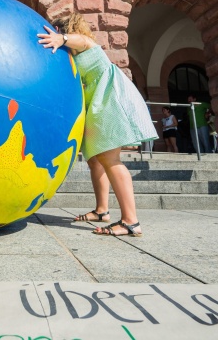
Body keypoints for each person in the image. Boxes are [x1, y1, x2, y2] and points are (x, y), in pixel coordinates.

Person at [38, 13, 158, 237]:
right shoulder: (72, 55)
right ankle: (102, 211)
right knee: (95, 161)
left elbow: (83, 41)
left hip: (109, 99)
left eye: (58, 30)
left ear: (67, 30)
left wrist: (61, 39)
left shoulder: (85, 44)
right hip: (98, 103)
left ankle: (131, 221)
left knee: (111, 160)